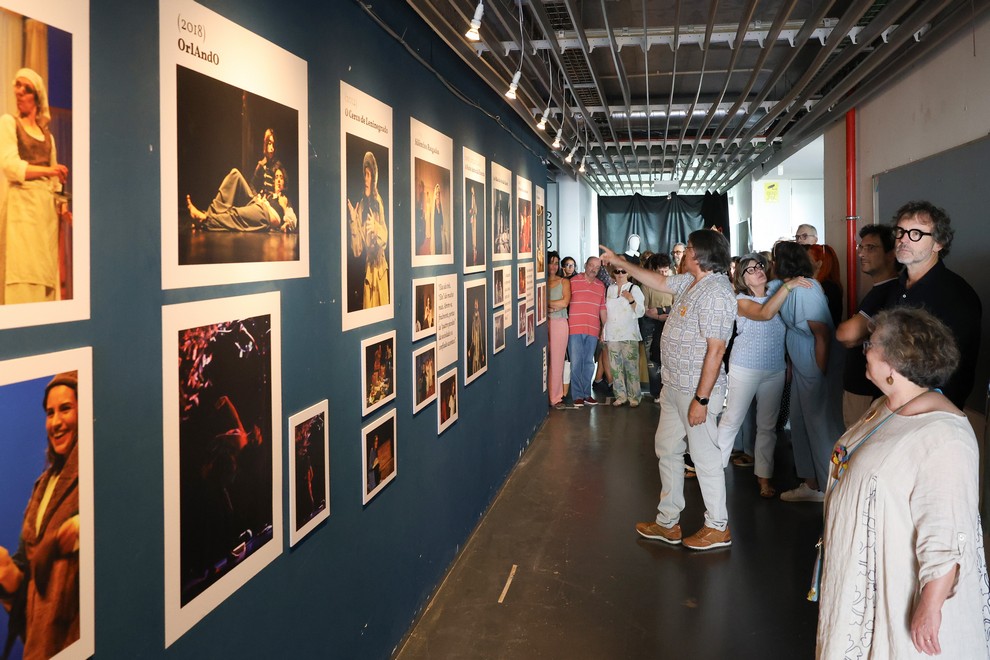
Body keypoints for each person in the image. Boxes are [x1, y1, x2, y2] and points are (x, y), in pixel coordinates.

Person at [817, 307, 990, 658]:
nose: (864, 349)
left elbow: (947, 531)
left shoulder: (944, 436)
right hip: (862, 581)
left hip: (899, 595)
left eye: (872, 343)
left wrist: (930, 608)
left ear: (895, 362)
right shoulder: (886, 405)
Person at [605, 231, 737, 551]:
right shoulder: (690, 282)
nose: (682, 254)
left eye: (688, 249)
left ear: (701, 254)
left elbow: (716, 351)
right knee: (666, 448)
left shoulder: (717, 292)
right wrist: (621, 263)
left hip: (696, 391)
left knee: (704, 458)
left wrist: (702, 400)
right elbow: (658, 282)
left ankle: (718, 526)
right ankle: (668, 521)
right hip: (675, 385)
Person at [835, 200, 981, 410]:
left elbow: (955, 372)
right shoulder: (897, 287)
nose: (903, 239)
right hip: (886, 404)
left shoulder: (957, 295)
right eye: (900, 232)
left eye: (916, 234)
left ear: (938, 243)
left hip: (923, 415)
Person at [714, 253, 810, 498]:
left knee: (767, 427)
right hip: (744, 367)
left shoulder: (776, 288)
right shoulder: (741, 300)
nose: (758, 270)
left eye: (759, 266)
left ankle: (764, 479)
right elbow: (766, 313)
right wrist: (789, 285)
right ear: (742, 279)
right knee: (731, 420)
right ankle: (713, 472)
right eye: (750, 269)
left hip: (774, 368)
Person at [0, 372, 82, 659]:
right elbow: (29, 568)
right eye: (50, 412)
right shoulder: (42, 486)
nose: (56, 422)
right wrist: (7, 573)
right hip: (41, 645)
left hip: (79, 641)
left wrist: (76, 529)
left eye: (66, 409)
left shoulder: (99, 473)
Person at [773, 242, 845, 503]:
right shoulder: (789, 287)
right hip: (803, 361)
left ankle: (832, 491)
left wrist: (820, 374)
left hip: (816, 361)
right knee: (801, 422)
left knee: (820, 425)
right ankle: (811, 483)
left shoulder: (806, 289)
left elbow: (822, 335)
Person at [1, 68, 70, 304]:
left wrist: (62, 208)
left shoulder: (47, 137)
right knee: (22, 273)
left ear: (37, 97)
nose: (19, 92)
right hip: (22, 213)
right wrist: (50, 170)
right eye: (17, 86)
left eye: (26, 88)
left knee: (44, 275)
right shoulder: (9, 124)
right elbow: (11, 166)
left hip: (45, 217)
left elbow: (54, 183)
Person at [835, 225, 899, 426]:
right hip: (861, 384)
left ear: (891, 254)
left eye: (871, 248)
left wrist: (858, 336)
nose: (862, 253)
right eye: (861, 248)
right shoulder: (878, 291)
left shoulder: (888, 291)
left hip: (866, 389)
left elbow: (845, 334)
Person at [347, 152, 389, 310]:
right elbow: (357, 251)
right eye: (364, 175)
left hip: (380, 272)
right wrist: (353, 221)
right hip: (368, 274)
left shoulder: (379, 202)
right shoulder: (361, 208)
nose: (366, 179)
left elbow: (385, 237)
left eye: (369, 175)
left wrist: (376, 227)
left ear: (374, 179)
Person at [602, 260, 645, 406]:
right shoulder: (610, 289)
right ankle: (620, 396)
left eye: (623, 271)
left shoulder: (634, 289)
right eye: (617, 271)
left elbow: (641, 311)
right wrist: (603, 332)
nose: (620, 274)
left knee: (631, 367)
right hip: (612, 333)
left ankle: (634, 397)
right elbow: (606, 312)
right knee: (615, 368)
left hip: (629, 333)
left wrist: (631, 299)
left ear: (628, 272)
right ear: (613, 273)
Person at [567, 257, 606, 407]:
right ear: (585, 265)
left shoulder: (601, 286)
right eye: (591, 265)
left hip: (593, 329)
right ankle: (577, 395)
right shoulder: (573, 281)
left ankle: (586, 394)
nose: (594, 269)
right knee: (576, 363)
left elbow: (602, 308)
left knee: (589, 363)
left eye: (597, 267)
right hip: (574, 328)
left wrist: (604, 328)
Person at [639, 254, 673, 401]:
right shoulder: (647, 284)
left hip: (670, 325)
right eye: (661, 271)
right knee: (653, 362)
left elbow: (678, 306)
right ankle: (657, 393)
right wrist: (658, 315)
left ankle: (669, 392)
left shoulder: (673, 282)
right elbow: (644, 309)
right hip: (651, 327)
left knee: (669, 360)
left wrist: (659, 310)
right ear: (654, 269)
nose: (663, 274)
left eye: (666, 271)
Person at [546, 251, 571, 409]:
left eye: (556, 263)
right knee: (543, 360)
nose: (553, 266)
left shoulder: (564, 282)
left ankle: (555, 398)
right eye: (551, 262)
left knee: (556, 361)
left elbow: (564, 303)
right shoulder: (539, 281)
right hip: (542, 323)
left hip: (559, 324)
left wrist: (546, 303)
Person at [807, 243, 843, 326]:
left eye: (807, 259)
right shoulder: (827, 285)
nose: (803, 263)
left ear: (819, 263)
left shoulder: (828, 287)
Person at [249, 127, 277, 200]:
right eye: (269, 144)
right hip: (264, 201)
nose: (272, 148)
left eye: (273, 144)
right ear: (265, 145)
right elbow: (252, 184)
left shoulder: (278, 165)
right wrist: (256, 196)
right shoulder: (261, 165)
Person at [468, 298, 485, 375]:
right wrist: (470, 349)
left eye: (477, 304)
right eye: (474, 304)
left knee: (478, 365)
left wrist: (482, 352)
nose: (475, 305)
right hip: (474, 346)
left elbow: (481, 335)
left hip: (478, 346)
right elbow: (472, 335)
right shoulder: (472, 317)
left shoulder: (480, 317)